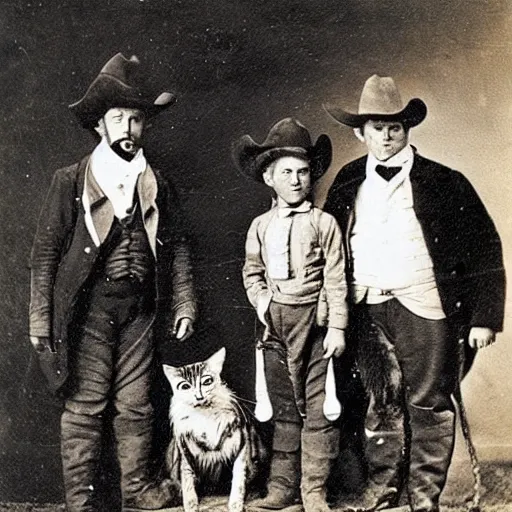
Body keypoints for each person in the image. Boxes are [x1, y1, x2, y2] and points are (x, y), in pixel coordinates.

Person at [322, 75, 505, 512]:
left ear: (407, 131)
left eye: (395, 128)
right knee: (379, 403)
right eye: (376, 128)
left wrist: (484, 317)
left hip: (426, 305)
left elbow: (485, 247)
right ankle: (383, 491)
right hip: (367, 307)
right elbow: (328, 246)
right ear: (359, 133)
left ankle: (424, 499)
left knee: (428, 403)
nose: (385, 137)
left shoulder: (445, 182)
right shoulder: (349, 180)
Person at [29, 53, 197, 512]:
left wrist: (183, 303)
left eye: (136, 119)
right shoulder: (71, 181)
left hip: (140, 312)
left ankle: (137, 491)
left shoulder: (157, 181)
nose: (127, 128)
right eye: (117, 118)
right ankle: (79, 501)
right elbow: (44, 255)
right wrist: (40, 321)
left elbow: (178, 245)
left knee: (137, 405)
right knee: (85, 406)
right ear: (99, 125)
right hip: (89, 312)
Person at [232, 118, 348, 512]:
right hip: (274, 325)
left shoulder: (323, 223)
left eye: (302, 172)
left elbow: (335, 276)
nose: (297, 180)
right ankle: (282, 488)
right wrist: (264, 303)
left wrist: (336, 326)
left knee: (319, 407)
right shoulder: (260, 227)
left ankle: (314, 491)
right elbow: (251, 272)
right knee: (284, 409)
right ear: (269, 177)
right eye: (287, 172)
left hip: (314, 326)